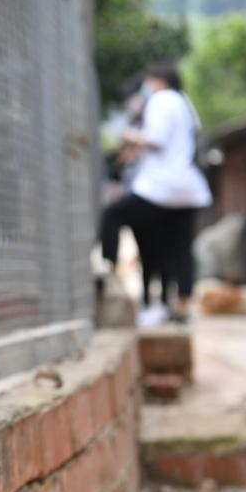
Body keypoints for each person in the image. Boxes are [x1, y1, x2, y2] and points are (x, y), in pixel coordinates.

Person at [99, 61, 212, 322]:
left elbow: (157, 140)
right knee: (181, 247)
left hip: (161, 187)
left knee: (112, 216)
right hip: (187, 188)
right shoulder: (184, 103)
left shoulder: (161, 100)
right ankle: (182, 307)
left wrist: (130, 137)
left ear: (159, 80)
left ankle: (111, 276)